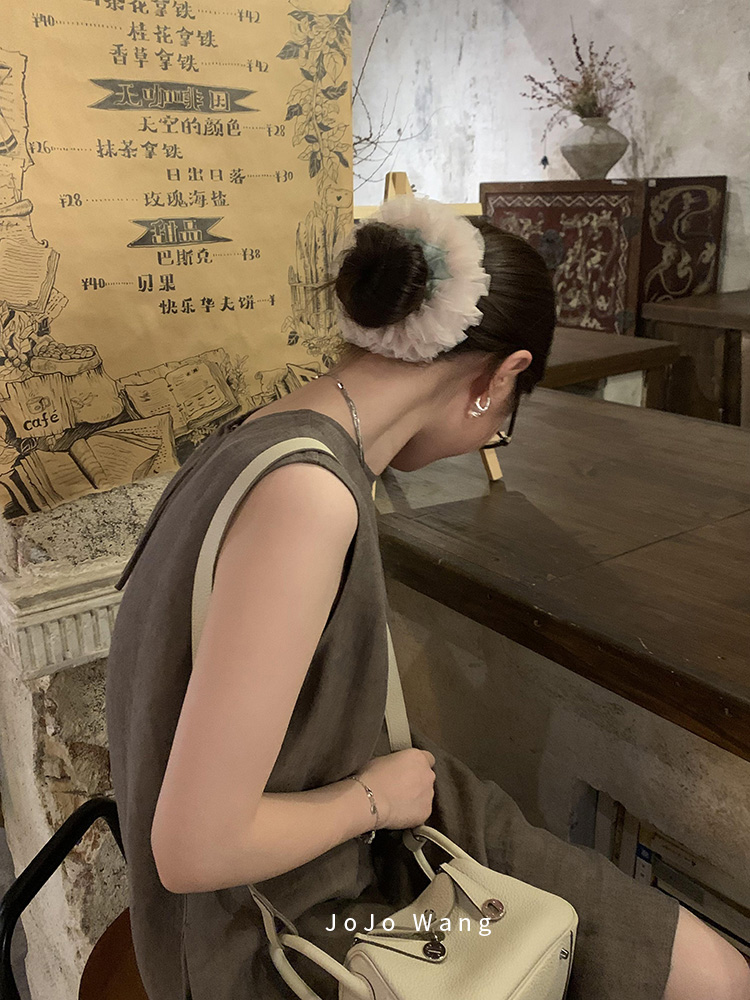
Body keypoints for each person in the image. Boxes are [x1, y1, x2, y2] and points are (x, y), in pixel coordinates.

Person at [106, 196, 750, 1000]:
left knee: (706, 971)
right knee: (711, 979)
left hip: (342, 822)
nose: (495, 430)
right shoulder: (308, 499)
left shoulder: (274, 430)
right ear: (500, 378)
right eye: (509, 413)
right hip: (293, 918)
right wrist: (374, 800)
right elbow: (195, 848)